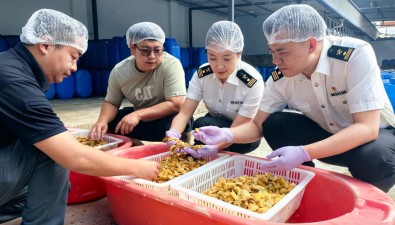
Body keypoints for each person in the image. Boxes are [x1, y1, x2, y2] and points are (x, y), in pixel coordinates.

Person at [191, 4, 395, 193]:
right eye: (272, 51)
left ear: (311, 45)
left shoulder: (353, 56)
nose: (275, 60)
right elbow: (258, 125)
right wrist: (228, 135)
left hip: (372, 140)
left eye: (282, 52)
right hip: (326, 136)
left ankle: (366, 203)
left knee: (376, 159)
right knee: (275, 123)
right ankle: (304, 182)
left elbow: (367, 127)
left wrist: (304, 152)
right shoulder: (280, 77)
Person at [0, 9, 160, 224]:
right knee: (52, 151)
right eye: (73, 57)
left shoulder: (10, 65)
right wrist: (139, 168)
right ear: (45, 45)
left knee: (46, 189)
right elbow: (74, 156)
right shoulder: (16, 82)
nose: (74, 68)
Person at [164, 21, 264, 158]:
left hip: (240, 133)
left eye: (227, 59)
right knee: (200, 125)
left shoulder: (252, 81)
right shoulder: (203, 74)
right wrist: (173, 134)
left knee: (209, 140)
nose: (219, 66)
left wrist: (214, 148)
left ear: (239, 53)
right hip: (216, 124)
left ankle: (217, 153)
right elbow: (185, 113)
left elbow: (237, 128)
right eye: (212, 57)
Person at [89, 22, 191, 145]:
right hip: (141, 117)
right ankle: (135, 146)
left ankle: (180, 148)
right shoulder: (120, 71)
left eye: (158, 50)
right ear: (132, 48)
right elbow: (111, 102)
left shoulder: (171, 65)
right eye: (145, 51)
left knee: (181, 121)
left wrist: (138, 115)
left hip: (164, 117)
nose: (152, 56)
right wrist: (102, 121)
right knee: (111, 124)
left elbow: (176, 104)